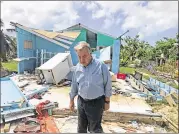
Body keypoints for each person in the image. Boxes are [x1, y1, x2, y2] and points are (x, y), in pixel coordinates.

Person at [69, 41, 112, 133]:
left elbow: (107, 83)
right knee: (81, 128)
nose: (81, 60)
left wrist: (107, 101)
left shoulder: (100, 66)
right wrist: (71, 100)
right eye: (79, 57)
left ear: (90, 54)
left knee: (95, 129)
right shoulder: (78, 67)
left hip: (96, 103)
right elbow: (74, 85)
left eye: (84, 56)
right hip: (81, 102)